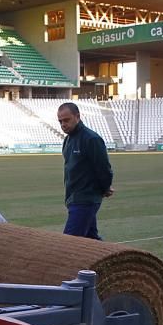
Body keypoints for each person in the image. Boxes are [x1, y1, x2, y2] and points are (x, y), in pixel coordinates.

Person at [58, 102, 114, 238]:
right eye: (60, 121)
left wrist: (105, 188)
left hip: (86, 199)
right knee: (91, 240)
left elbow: (104, 169)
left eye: (66, 120)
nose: (63, 124)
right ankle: (110, 259)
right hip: (73, 198)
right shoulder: (67, 140)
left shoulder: (91, 139)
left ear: (77, 117)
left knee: (69, 242)